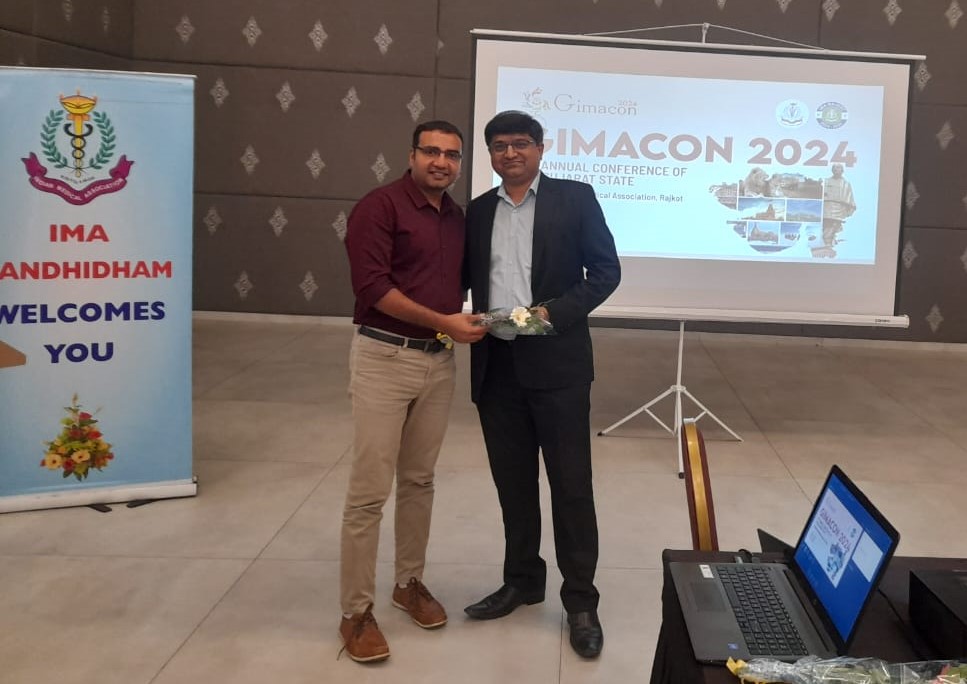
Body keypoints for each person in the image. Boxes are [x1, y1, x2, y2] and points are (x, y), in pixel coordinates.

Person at [462, 110, 621, 658]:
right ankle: (522, 582)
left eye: (521, 143)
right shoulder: (479, 211)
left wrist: (550, 315)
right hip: (497, 367)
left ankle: (581, 601)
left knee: (571, 487)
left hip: (558, 367)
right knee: (513, 485)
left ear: (540, 148)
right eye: (500, 146)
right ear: (490, 154)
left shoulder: (575, 199)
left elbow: (605, 273)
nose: (511, 153)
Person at [340, 120, 486, 663]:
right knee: (368, 492)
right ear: (411, 155)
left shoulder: (457, 218)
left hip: (438, 362)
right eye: (431, 151)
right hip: (384, 357)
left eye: (452, 155)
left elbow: (458, 286)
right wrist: (445, 322)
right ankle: (355, 612)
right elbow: (372, 288)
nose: (441, 162)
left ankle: (408, 584)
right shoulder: (379, 208)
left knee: (420, 480)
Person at [819, 163, 855, 256]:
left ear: (842, 170)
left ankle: (829, 243)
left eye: (838, 168)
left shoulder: (846, 183)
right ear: (832, 170)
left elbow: (849, 197)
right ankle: (826, 244)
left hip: (839, 209)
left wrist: (849, 209)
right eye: (834, 168)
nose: (836, 169)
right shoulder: (826, 181)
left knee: (834, 226)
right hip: (827, 208)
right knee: (827, 226)